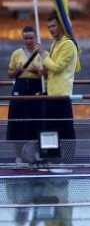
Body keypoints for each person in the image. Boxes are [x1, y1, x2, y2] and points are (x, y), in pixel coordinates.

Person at [37, 15, 78, 155]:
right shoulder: (55, 43)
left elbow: (57, 67)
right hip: (51, 93)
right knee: (51, 128)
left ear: (61, 25)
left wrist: (43, 55)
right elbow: (52, 70)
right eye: (49, 27)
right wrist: (43, 72)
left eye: (53, 26)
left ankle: (69, 159)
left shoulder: (68, 44)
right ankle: (53, 157)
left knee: (65, 128)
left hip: (62, 94)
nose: (51, 29)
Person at [7, 26, 43, 162]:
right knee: (18, 121)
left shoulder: (41, 53)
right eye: (26, 38)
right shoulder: (17, 53)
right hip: (20, 86)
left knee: (37, 120)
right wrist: (17, 71)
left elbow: (47, 74)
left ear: (35, 38)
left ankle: (37, 153)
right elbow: (9, 73)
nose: (28, 41)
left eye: (31, 38)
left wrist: (36, 72)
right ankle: (19, 156)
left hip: (35, 87)